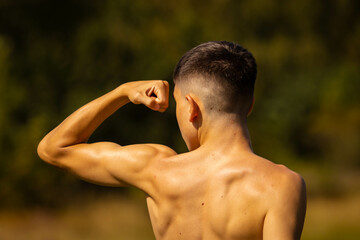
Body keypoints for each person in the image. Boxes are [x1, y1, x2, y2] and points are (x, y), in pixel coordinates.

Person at [37, 41, 306, 240]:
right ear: (250, 106)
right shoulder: (280, 185)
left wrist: (122, 92)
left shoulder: (156, 169)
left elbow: (54, 149)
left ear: (191, 107)